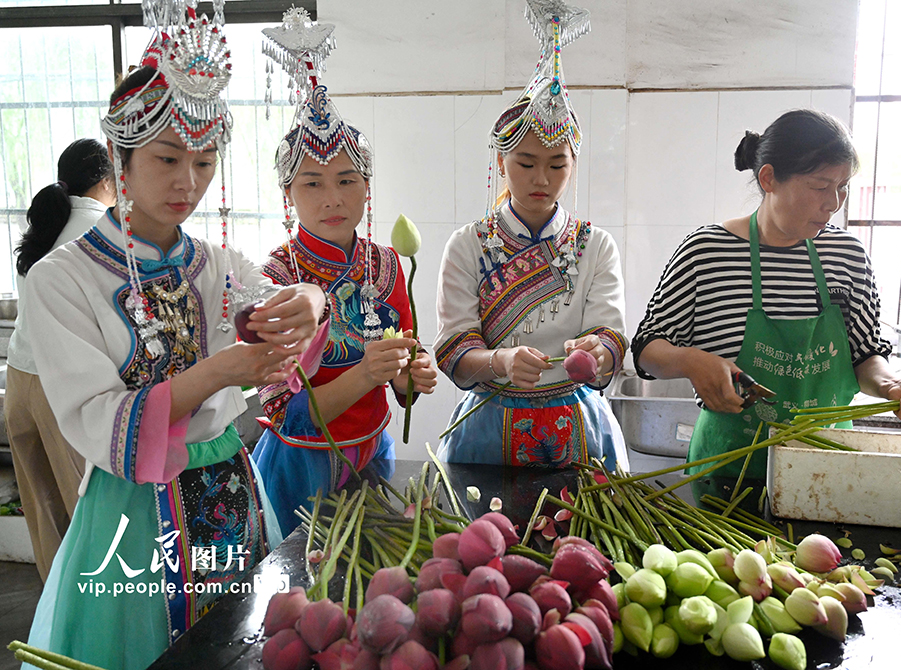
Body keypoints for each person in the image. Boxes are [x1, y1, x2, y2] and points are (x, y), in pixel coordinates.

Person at [21, 5, 327, 669]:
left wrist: (309, 297)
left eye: (205, 161)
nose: (187, 182)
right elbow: (99, 419)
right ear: (117, 159)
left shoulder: (213, 265)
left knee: (237, 647)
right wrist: (219, 373)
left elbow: (285, 301)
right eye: (166, 159)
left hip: (232, 496)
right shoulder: (61, 281)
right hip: (134, 518)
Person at [632, 109, 901, 479]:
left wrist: (891, 384)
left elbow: (864, 353)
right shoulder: (706, 252)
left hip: (825, 466)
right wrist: (692, 362)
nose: (834, 203)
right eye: (820, 186)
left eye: (843, 186)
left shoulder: (847, 256)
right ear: (769, 178)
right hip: (729, 468)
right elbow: (647, 348)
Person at [252, 9, 437, 536]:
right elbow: (286, 411)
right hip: (299, 466)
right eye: (311, 183)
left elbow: (402, 362)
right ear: (288, 194)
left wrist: (411, 375)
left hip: (373, 453)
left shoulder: (385, 263)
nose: (332, 198)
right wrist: (367, 374)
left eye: (347, 179)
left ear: (367, 186)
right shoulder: (276, 275)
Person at [435, 5, 628, 469]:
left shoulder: (595, 245)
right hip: (487, 425)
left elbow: (612, 335)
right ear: (501, 163)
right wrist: (499, 362)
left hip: (581, 426)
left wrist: (597, 353)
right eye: (525, 163)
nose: (541, 178)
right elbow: (454, 351)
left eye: (557, 165)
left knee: (588, 537)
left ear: (573, 165)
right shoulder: (468, 246)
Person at [6, 139, 115, 581]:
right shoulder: (104, 231)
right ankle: (94, 614)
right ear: (108, 180)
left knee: (42, 509)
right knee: (86, 506)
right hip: (61, 387)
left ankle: (54, 614)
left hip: (19, 381)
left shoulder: (45, 226)